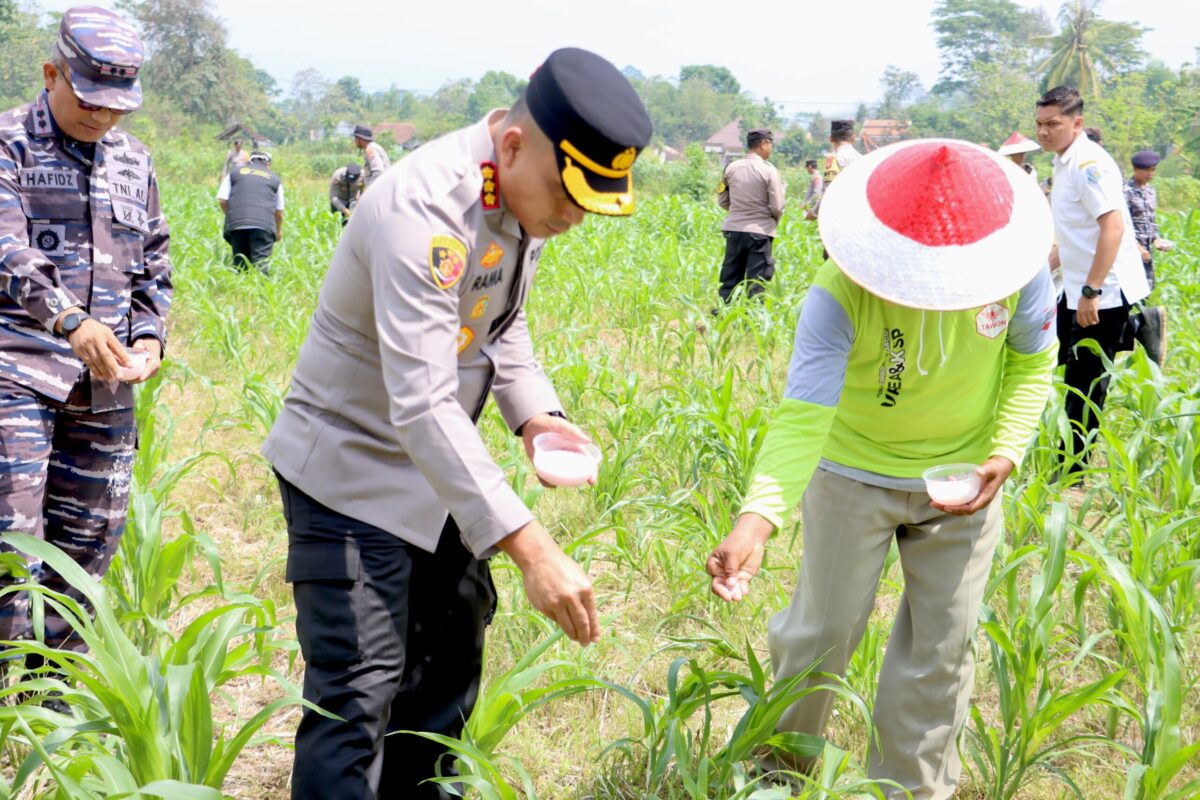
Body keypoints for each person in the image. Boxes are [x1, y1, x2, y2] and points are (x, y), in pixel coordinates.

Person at [262, 47, 651, 799]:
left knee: (444, 678)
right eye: (568, 196)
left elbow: (498, 325)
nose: (572, 219)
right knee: (357, 696)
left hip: (441, 478)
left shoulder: (515, 198)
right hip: (352, 475)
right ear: (513, 144)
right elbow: (421, 400)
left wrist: (537, 417)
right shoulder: (427, 210)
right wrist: (534, 549)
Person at [706, 139, 1057, 800]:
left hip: (966, 484)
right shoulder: (840, 293)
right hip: (852, 476)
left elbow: (1034, 362)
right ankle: (775, 775)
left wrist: (1005, 451)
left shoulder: (1016, 272)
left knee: (942, 650)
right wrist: (758, 517)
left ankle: (912, 789)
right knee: (820, 635)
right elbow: (804, 414)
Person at [0, 6, 171, 660]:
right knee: (12, 538)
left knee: (87, 545)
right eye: (89, 100)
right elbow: (6, 249)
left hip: (104, 385)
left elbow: (155, 261)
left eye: (117, 107)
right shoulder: (9, 141)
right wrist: (69, 319)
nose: (103, 118)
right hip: (18, 370)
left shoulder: (134, 161)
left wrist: (151, 337)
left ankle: (54, 701)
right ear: (51, 72)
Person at [1036, 86, 1150, 472]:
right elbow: (1071, 238)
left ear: (1077, 123)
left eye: (1053, 124)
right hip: (1074, 287)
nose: (1043, 132)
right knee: (1051, 360)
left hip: (1101, 292)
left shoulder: (1089, 165)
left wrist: (1091, 292)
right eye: (1039, 124)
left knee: (1084, 383)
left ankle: (1072, 471)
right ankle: (1135, 328)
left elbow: (1113, 229)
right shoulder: (1062, 161)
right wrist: (1036, 275)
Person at [716, 128, 785, 303]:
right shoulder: (769, 171)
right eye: (771, 145)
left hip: (734, 230)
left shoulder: (730, 168)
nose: (771, 149)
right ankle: (750, 325)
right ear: (764, 144)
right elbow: (777, 206)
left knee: (730, 277)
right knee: (756, 281)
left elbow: (722, 199)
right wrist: (771, 221)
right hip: (760, 232)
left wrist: (739, 211)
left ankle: (723, 316)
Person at [1124, 150, 1169, 364]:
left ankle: (1143, 337)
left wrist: (1157, 241)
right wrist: (1136, 247)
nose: (1150, 174)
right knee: (1128, 295)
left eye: (1153, 170)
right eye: (1147, 170)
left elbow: (1152, 221)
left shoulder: (1150, 192)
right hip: (1128, 251)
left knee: (1145, 292)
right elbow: (1121, 224)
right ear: (1136, 170)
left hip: (1147, 254)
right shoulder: (1125, 191)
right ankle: (1127, 336)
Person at [217, 150, 283, 273]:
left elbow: (222, 201)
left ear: (249, 161)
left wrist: (232, 216)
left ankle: (239, 291)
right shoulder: (275, 179)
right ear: (268, 164)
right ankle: (260, 289)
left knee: (240, 265)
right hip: (263, 226)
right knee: (261, 264)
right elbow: (278, 212)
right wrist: (278, 231)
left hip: (237, 225)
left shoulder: (233, 173)